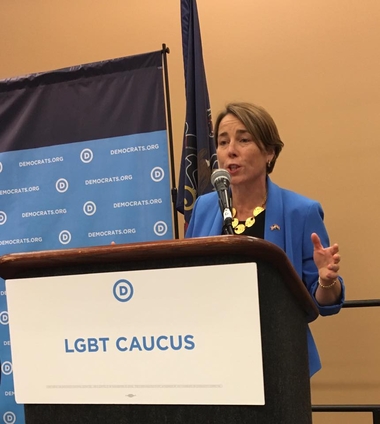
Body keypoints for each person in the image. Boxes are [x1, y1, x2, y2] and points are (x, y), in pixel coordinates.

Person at [186, 102, 345, 377]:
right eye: (223, 142)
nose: (230, 150)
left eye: (243, 139)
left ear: (269, 152)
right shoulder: (203, 207)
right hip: (211, 353)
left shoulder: (301, 211)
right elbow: (185, 275)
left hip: (277, 356)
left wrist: (326, 280)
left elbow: (323, 302)